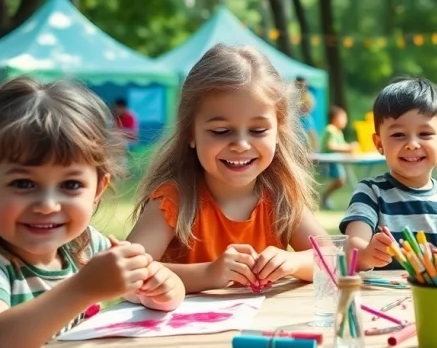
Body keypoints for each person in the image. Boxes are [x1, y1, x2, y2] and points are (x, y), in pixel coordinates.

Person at [0, 79, 184, 347]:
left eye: (70, 185)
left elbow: (150, 292)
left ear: (97, 190)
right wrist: (82, 289)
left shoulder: (84, 246)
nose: (48, 205)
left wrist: (160, 287)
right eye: (23, 183)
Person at [127, 44, 329, 293]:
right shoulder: (172, 202)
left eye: (258, 131)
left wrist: (293, 262)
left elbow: (334, 259)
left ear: (279, 131)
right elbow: (127, 275)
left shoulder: (280, 197)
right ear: (190, 133)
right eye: (221, 131)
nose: (241, 145)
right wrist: (208, 273)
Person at [340, 77, 437, 271]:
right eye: (398, 135)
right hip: (384, 298)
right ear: (379, 144)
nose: (412, 144)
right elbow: (351, 249)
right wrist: (368, 254)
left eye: (425, 134)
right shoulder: (371, 193)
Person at [319, 105, 358, 210]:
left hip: (336, 160)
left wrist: (350, 148)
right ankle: (324, 197)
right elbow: (331, 146)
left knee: (341, 180)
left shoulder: (338, 132)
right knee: (340, 180)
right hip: (329, 161)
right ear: (334, 118)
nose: (345, 121)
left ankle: (325, 197)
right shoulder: (330, 129)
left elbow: (342, 145)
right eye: (343, 118)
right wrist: (347, 148)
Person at [294, 76, 318, 152]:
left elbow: (309, 107)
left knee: (309, 136)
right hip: (295, 119)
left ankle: (311, 151)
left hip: (305, 119)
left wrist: (301, 109)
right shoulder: (293, 94)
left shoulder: (308, 96)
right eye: (300, 84)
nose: (302, 85)